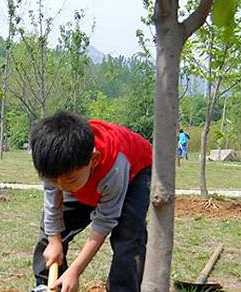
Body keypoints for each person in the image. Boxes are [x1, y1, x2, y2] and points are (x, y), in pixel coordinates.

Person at [30, 112, 152, 292]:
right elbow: (52, 205)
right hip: (88, 176)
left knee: (129, 238)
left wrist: (76, 271)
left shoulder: (115, 165)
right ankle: (48, 286)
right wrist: (54, 240)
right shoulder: (55, 163)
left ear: (93, 160)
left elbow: (104, 222)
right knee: (49, 236)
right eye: (55, 181)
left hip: (135, 171)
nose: (62, 187)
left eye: (69, 180)